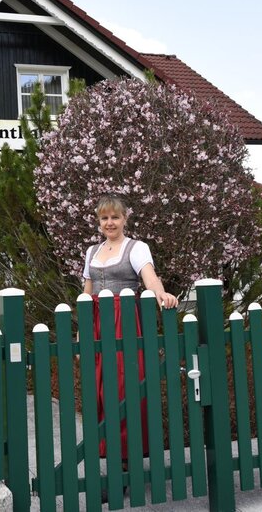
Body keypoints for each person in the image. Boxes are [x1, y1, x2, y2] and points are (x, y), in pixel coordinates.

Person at [82, 194, 178, 465]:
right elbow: (87, 292)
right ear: (99, 221)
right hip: (96, 322)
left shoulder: (136, 248)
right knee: (99, 386)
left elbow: (150, 279)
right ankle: (106, 447)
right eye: (104, 218)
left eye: (115, 217)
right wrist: (82, 329)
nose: (110, 223)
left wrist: (161, 294)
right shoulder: (92, 252)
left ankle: (126, 454)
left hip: (123, 321)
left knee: (123, 385)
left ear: (125, 218)